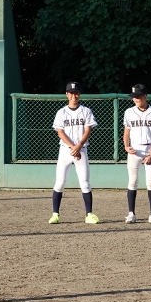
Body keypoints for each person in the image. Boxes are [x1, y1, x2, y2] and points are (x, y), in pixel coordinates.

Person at [49, 81, 99, 225]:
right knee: (59, 183)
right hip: (66, 151)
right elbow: (60, 132)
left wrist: (78, 146)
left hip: (81, 150)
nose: (74, 96)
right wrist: (73, 147)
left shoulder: (86, 111)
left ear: (79, 94)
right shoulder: (61, 112)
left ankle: (89, 214)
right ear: (67, 94)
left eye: (76, 93)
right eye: (71, 93)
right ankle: (55, 214)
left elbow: (88, 130)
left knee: (85, 183)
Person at [123, 84, 151, 224]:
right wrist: (126, 146)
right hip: (134, 150)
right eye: (134, 96)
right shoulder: (129, 112)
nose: (136, 99)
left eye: (138, 96)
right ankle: (131, 213)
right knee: (132, 181)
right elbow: (126, 132)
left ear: (145, 96)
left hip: (149, 148)